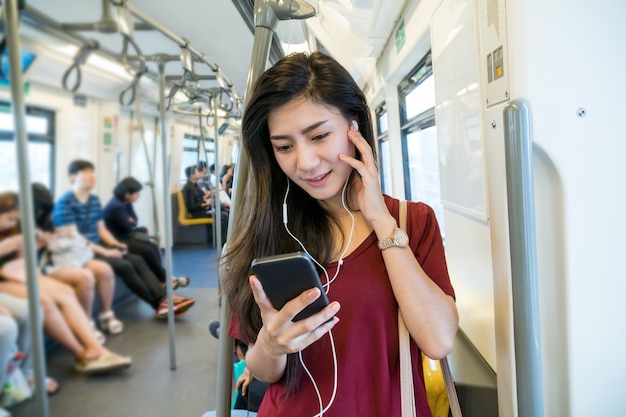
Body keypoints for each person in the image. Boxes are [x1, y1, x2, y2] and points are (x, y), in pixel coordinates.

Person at [222, 52, 458, 417]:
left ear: (355, 127)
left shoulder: (411, 221)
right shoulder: (268, 232)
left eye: (319, 136)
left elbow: (438, 340)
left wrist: (381, 221)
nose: (306, 162)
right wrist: (271, 345)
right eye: (284, 146)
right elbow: (261, 368)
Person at [0, 191, 131, 375]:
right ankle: (80, 354)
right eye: (9, 219)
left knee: (65, 292)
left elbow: (22, 261)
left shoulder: (14, 230)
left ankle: (96, 348)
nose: (12, 224)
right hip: (3, 279)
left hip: (17, 272)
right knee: (45, 301)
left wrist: (34, 245)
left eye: (15, 220)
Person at [52, 160, 195, 319]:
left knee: (137, 259)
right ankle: (159, 303)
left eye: (92, 171)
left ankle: (163, 299)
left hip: (98, 245)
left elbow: (101, 229)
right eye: (85, 172)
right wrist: (106, 250)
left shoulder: (93, 200)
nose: (91, 176)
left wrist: (115, 245)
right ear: (72, 177)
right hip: (79, 250)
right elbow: (76, 239)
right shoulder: (64, 203)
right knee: (125, 265)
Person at [31, 183, 121, 342]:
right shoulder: (21, 224)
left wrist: (60, 234)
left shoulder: (46, 218)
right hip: (47, 264)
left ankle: (106, 313)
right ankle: (86, 322)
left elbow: (76, 240)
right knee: (85, 277)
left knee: (104, 269)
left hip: (66, 256)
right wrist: (42, 242)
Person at [103, 177, 190, 289]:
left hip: (125, 236)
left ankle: (162, 279)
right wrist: (130, 221)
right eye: (136, 193)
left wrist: (130, 220)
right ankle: (165, 279)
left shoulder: (126, 203)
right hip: (117, 240)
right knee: (147, 251)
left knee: (153, 246)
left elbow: (134, 220)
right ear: (127, 194)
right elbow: (128, 226)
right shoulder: (116, 206)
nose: (138, 196)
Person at [182, 165, 228, 241]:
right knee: (223, 215)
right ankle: (220, 240)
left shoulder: (194, 186)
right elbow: (191, 206)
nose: (200, 173)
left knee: (223, 210)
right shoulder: (188, 188)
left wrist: (205, 201)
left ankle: (222, 237)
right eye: (197, 171)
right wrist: (206, 204)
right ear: (192, 174)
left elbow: (198, 199)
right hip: (196, 213)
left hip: (201, 210)